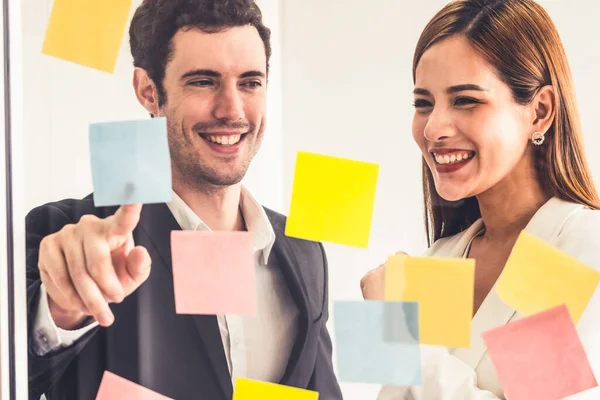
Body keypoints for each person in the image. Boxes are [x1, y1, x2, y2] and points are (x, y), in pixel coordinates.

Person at [26, 1, 342, 399]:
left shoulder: (303, 251)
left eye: (250, 82)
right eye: (203, 81)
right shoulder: (71, 234)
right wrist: (60, 310)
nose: (232, 110)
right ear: (147, 91)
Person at [360, 0, 600, 398]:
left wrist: (400, 333)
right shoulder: (436, 261)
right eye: (423, 103)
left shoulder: (580, 250)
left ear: (540, 111)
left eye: (466, 99)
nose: (434, 128)